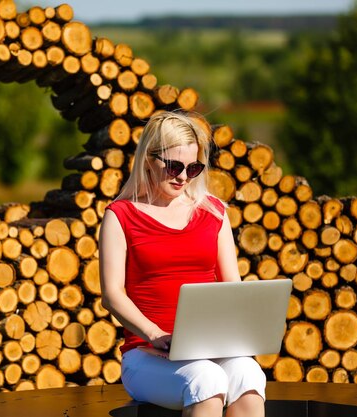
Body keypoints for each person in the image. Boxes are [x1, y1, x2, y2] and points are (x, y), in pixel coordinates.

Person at [99, 110, 266, 417]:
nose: (183, 176)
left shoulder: (214, 212)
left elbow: (233, 287)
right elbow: (112, 294)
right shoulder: (120, 215)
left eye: (193, 168)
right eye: (174, 166)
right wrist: (155, 335)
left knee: (248, 373)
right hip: (146, 352)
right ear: (150, 159)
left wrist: (240, 334)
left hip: (209, 349)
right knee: (206, 379)